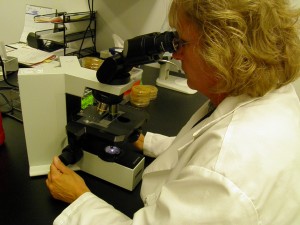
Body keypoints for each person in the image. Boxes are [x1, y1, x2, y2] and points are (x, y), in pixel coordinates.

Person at [46, 0, 300, 224]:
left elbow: (212, 164)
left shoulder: (225, 172)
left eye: (182, 43)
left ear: (221, 51)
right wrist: (150, 143)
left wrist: (81, 199)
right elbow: (200, 144)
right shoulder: (272, 94)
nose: (176, 54)